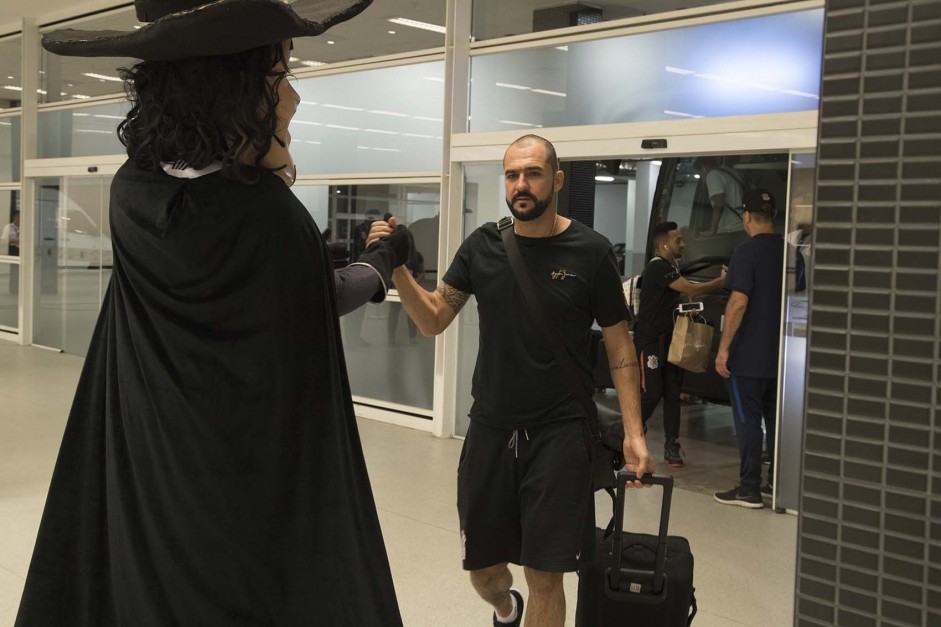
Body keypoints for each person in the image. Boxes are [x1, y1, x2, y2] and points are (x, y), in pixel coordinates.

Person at [16, 1, 410, 625]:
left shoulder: (132, 193)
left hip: (151, 466)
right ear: (233, 90)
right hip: (246, 487)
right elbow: (317, 297)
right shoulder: (266, 218)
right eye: (279, 78)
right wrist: (381, 263)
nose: (294, 100)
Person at [374, 134, 655, 627]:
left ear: (557, 180)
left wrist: (633, 431)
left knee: (545, 574)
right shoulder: (483, 245)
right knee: (483, 570)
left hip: (561, 433)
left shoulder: (590, 251)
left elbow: (620, 347)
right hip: (491, 429)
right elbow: (435, 317)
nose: (521, 184)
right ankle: (506, 608)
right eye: (512, 175)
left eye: (533, 173)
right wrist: (397, 269)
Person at [634, 221, 726, 467]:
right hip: (650, 342)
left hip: (671, 342)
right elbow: (690, 289)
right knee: (652, 392)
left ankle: (671, 446)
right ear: (664, 244)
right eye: (678, 240)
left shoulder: (670, 267)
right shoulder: (658, 268)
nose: (683, 244)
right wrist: (719, 282)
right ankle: (629, 432)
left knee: (673, 395)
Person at [714, 189, 783, 509]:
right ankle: (776, 485)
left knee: (748, 422)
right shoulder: (790, 252)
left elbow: (738, 303)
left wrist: (724, 348)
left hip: (748, 358)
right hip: (780, 358)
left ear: (747, 217)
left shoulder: (746, 252)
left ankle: (749, 488)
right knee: (775, 420)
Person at [693, 156, 744, 236]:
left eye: (700, 173)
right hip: (739, 227)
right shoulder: (726, 173)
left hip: (731, 229)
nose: (701, 177)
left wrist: (712, 230)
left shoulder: (712, 175)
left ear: (704, 167)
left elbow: (719, 203)